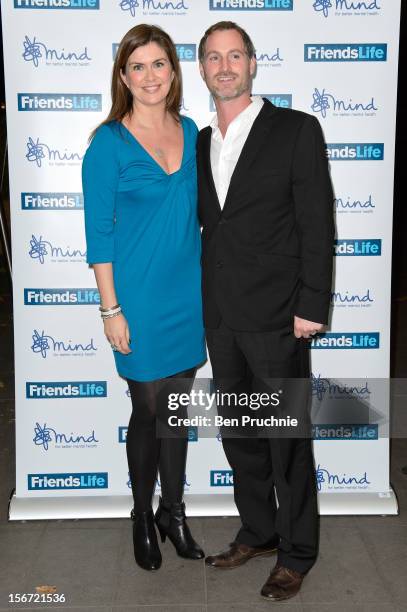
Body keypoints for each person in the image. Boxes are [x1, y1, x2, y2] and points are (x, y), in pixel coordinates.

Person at [197, 22, 334, 601]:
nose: (224, 66)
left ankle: (298, 551)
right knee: (240, 434)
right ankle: (259, 530)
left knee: (287, 439)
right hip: (222, 317)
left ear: (253, 63)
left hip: (281, 316)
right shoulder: (199, 140)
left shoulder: (297, 130)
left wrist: (311, 304)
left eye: (235, 56)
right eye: (213, 57)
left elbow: (317, 222)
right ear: (201, 69)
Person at [82, 24, 206, 571]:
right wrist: (111, 309)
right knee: (148, 407)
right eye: (138, 66)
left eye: (159, 64)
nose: (150, 75)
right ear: (124, 77)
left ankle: (173, 512)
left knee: (176, 411)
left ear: (173, 73)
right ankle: (141, 514)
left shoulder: (193, 130)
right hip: (137, 299)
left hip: (190, 295)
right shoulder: (107, 143)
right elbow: (99, 234)